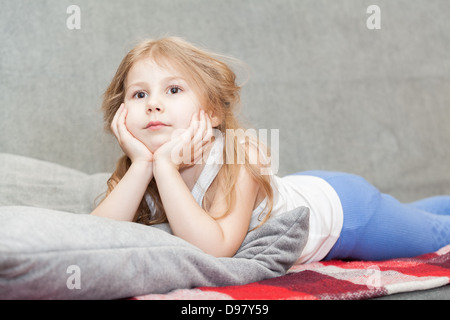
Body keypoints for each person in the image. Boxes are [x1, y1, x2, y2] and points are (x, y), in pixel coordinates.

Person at [91, 37, 450, 264]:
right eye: (139, 94)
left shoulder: (236, 160)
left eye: (173, 90)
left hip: (347, 216)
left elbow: (216, 249)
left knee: (436, 235)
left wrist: (166, 170)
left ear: (213, 112)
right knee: (421, 213)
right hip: (305, 187)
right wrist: (142, 165)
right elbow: (94, 237)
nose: (153, 104)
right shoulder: (143, 170)